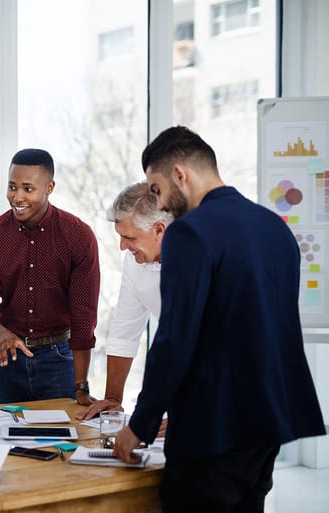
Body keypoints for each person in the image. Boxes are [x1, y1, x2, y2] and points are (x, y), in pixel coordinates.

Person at [113, 126, 325, 512]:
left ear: (180, 174)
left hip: (212, 427)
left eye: (157, 190)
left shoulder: (190, 233)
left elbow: (175, 340)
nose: (160, 205)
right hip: (266, 425)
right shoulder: (274, 227)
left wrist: (139, 424)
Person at [0, 148, 100, 405]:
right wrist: (2, 334)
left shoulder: (78, 236)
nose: (17, 196)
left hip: (59, 360)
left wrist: (81, 386)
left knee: (62, 440)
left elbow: (84, 317)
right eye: (12, 187)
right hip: (9, 359)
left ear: (49, 187)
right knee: (8, 440)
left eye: (28, 189)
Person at [77, 182, 170, 421]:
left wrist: (188, 418)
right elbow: (124, 331)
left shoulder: (200, 258)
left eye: (129, 237)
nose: (122, 247)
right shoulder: (134, 261)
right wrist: (112, 400)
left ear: (159, 230)